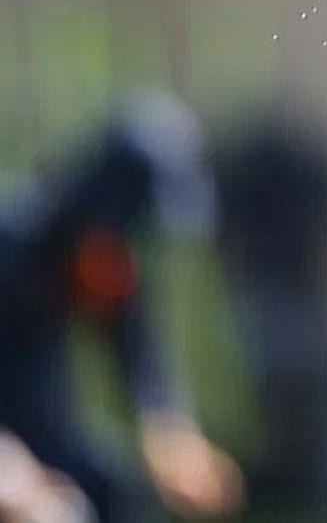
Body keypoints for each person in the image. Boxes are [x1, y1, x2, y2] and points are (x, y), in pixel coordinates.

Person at [0, 92, 244, 523]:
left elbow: (138, 358)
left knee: (108, 489)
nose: (130, 268)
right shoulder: (13, 252)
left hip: (33, 428)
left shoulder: (107, 265)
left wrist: (171, 436)